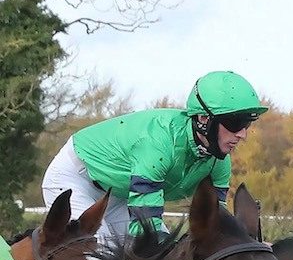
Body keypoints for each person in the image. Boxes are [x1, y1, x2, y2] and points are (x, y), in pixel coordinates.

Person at [42, 70, 267, 245]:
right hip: (74, 178)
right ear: (203, 119)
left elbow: (215, 224)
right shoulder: (159, 143)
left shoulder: (219, 161)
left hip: (118, 193)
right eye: (236, 123)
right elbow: (145, 232)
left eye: (247, 124)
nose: (243, 134)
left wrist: (246, 249)